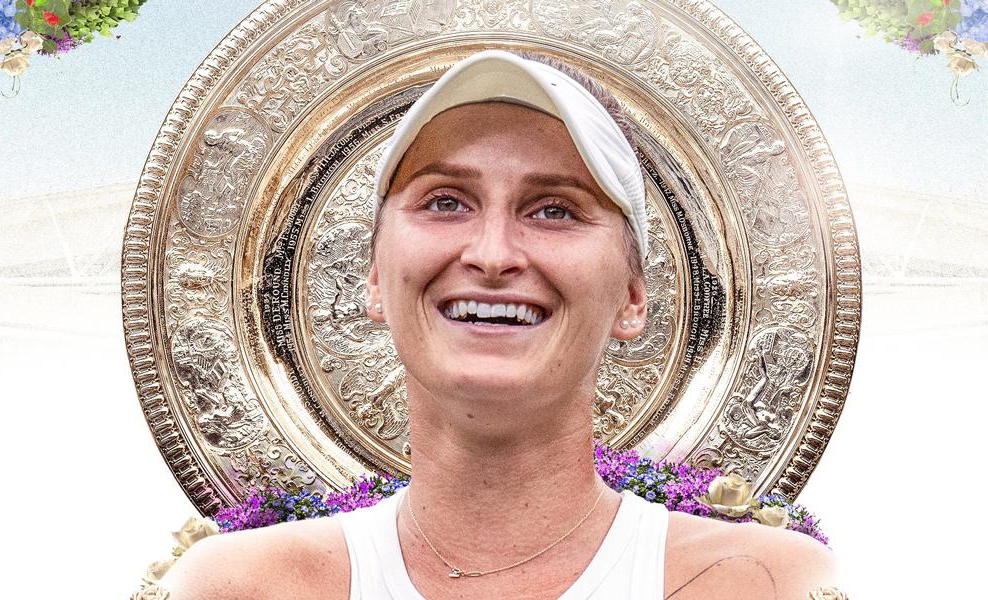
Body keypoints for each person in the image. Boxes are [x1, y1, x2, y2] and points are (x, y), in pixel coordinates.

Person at [160, 49, 841, 599]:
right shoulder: (236, 588)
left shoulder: (765, 584)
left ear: (633, 298)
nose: (492, 255)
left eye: (555, 210)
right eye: (445, 201)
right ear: (374, 281)